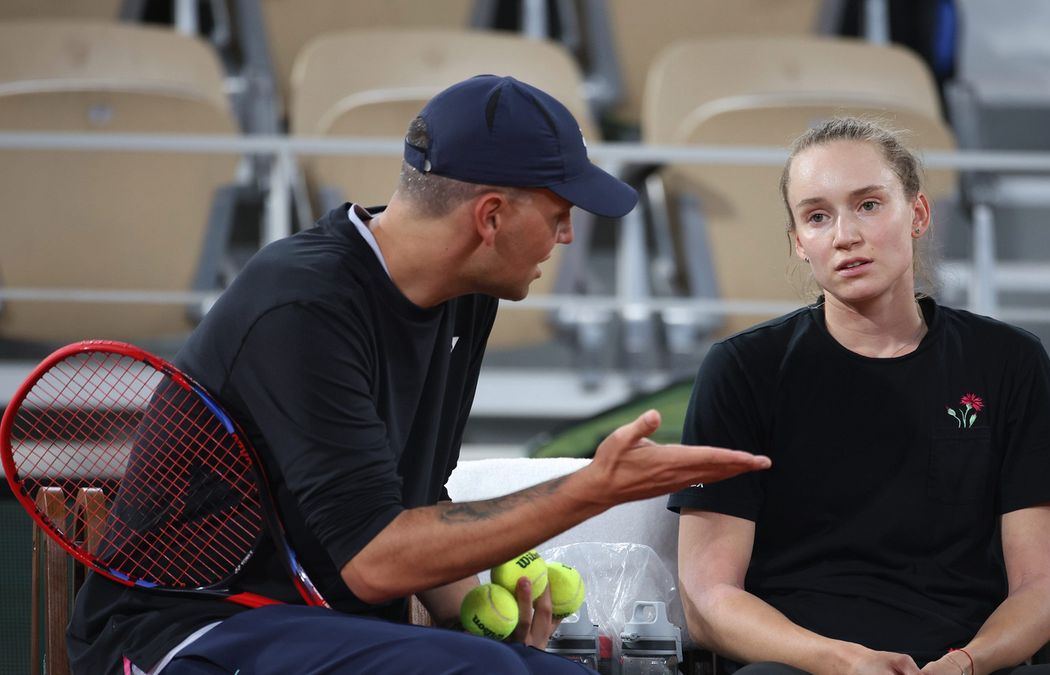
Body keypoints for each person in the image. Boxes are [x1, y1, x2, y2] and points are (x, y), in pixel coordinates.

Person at [66, 74, 771, 675]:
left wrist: (465, 606)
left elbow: (417, 496)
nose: (567, 236)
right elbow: (376, 560)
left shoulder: (468, 294)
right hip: (178, 633)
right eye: (559, 214)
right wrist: (590, 489)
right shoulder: (299, 304)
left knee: (547, 666)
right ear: (490, 216)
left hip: (310, 625)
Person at [667, 118, 1050, 675]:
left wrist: (965, 663)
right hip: (801, 665)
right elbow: (707, 599)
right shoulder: (742, 369)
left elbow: (1040, 588)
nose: (845, 235)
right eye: (817, 217)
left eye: (868, 204)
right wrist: (838, 661)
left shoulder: (1009, 361)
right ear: (798, 243)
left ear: (917, 214)